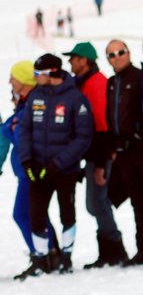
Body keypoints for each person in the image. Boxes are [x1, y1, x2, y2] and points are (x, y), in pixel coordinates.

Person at [18, 54, 92, 275]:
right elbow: (25, 130)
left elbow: (84, 137)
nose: (35, 78)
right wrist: (27, 160)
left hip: (64, 170)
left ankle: (66, 257)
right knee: (36, 213)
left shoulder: (75, 98)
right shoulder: (35, 97)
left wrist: (58, 163)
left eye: (38, 74)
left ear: (52, 73)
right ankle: (41, 259)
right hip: (38, 168)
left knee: (66, 213)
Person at [64, 42, 127, 267]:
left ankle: (115, 250)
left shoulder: (96, 83)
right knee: (97, 203)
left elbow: (102, 126)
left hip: (101, 153)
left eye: (73, 58)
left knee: (97, 203)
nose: (70, 62)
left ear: (85, 60)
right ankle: (109, 252)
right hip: (94, 153)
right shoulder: (83, 83)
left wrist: (101, 162)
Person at [104, 41, 143, 264]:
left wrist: (141, 136)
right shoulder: (111, 83)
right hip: (123, 153)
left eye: (120, 52)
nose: (116, 57)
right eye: (111, 55)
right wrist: (112, 148)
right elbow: (111, 117)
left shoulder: (140, 77)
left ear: (128, 53)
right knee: (138, 202)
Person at [2, 61, 60, 279]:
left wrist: (11, 129)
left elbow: (23, 136)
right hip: (25, 170)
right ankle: (50, 253)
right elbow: (9, 128)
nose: (10, 82)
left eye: (13, 78)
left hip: (33, 169)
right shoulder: (24, 103)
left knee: (22, 214)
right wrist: (10, 128)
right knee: (36, 213)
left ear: (25, 80)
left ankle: (41, 255)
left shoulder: (34, 105)